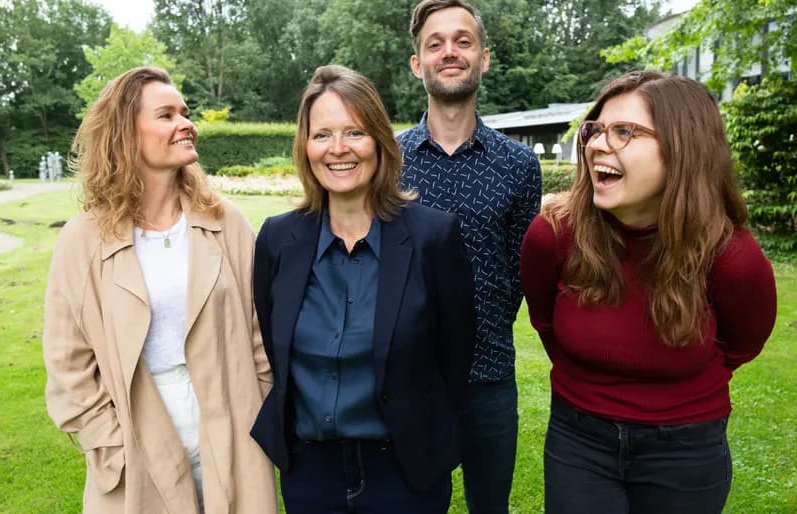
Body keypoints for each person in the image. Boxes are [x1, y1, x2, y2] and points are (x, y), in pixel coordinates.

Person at [520, 70, 778, 514]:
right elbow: (545, 321)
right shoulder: (554, 234)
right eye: (596, 130)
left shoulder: (732, 258)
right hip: (578, 438)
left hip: (686, 448)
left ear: (683, 149)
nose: (598, 145)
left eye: (624, 132)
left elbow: (742, 345)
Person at [42, 66, 277, 513]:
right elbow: (67, 359)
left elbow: (261, 329)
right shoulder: (83, 240)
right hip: (137, 442)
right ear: (125, 135)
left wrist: (258, 408)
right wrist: (109, 444)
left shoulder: (225, 221)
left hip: (234, 431)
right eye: (166, 115)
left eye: (184, 113)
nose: (186, 124)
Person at [249, 64, 477, 514]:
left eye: (354, 132)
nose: (338, 149)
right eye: (322, 135)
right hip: (310, 476)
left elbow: (455, 356)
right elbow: (276, 350)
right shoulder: (277, 239)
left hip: (405, 474)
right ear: (305, 146)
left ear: (379, 140)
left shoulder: (433, 237)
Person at [397, 1, 542, 512]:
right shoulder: (387, 162)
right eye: (435, 43)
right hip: (409, 376)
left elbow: (520, 271)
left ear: (484, 57)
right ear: (417, 63)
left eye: (463, 41)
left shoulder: (519, 165)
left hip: (490, 377)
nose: (450, 52)